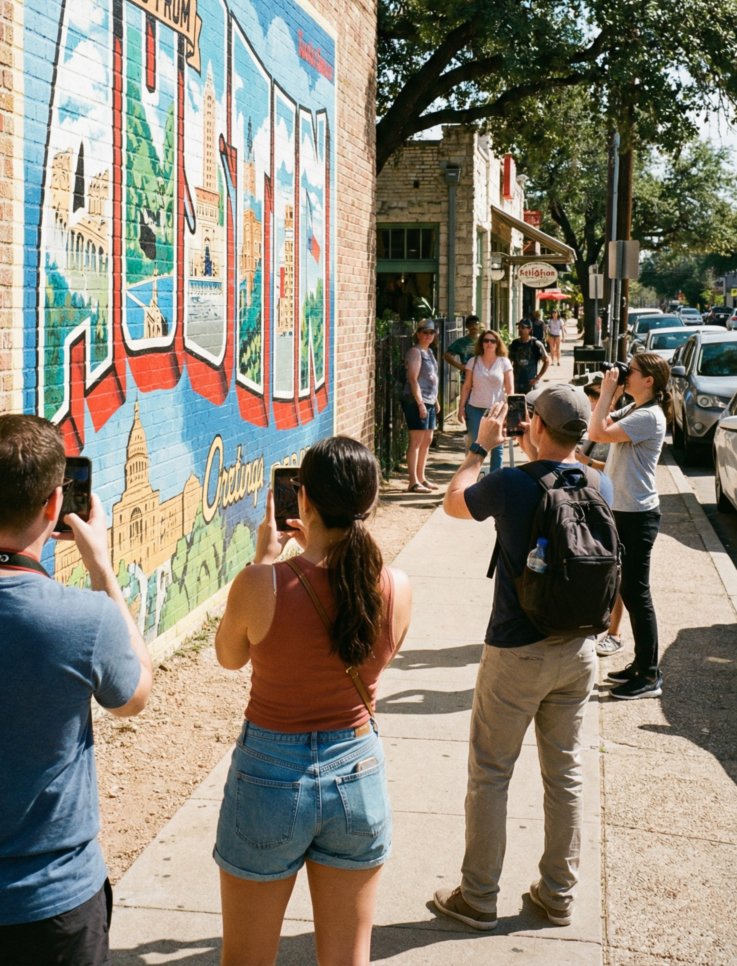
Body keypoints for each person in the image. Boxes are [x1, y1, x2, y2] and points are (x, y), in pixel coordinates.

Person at [214, 436, 412, 966]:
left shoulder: (262, 584)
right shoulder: (395, 586)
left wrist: (264, 559)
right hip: (358, 769)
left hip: (269, 776)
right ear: (368, 503)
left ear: (302, 499)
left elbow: (229, 657)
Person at [434, 386, 611, 930]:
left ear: (534, 424)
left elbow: (452, 501)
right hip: (579, 649)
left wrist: (477, 449)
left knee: (491, 773)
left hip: (517, 650)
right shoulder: (596, 482)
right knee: (565, 772)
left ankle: (479, 896)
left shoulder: (511, 483)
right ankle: (558, 894)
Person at [0, 414, 153, 966]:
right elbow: (135, 695)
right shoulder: (86, 620)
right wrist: (102, 569)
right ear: (54, 505)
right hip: (53, 903)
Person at [588, 352, 671, 699]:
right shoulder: (637, 409)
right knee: (628, 590)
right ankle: (640, 665)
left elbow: (597, 431)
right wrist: (615, 392)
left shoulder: (649, 416)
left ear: (649, 380)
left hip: (637, 514)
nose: (625, 374)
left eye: (631, 372)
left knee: (637, 594)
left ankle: (649, 675)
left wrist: (609, 389)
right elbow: (601, 421)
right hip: (624, 510)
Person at [575, 373, 624, 658]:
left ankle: (614, 632)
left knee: (613, 571)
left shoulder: (614, 426)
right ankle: (593, 623)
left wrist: (587, 461)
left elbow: (615, 468)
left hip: (612, 503)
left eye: (592, 401)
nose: (590, 407)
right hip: (591, 503)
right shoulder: (593, 426)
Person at [458, 330, 513, 473]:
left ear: (497, 344)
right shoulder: (473, 361)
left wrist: (510, 410)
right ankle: (471, 478)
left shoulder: (504, 362)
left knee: (497, 447)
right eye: (486, 340)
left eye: (492, 341)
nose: (489, 344)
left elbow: (510, 389)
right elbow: (466, 386)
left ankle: (494, 481)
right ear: (481, 343)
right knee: (475, 445)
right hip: (475, 408)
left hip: (497, 410)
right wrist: (461, 407)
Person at [401, 318, 441, 491]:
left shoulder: (429, 352)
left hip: (430, 400)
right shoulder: (415, 352)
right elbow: (413, 379)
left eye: (431, 332)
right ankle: (413, 481)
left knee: (427, 440)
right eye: (425, 332)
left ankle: (422, 477)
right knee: (416, 441)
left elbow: (432, 379)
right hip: (417, 401)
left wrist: (436, 400)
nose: (428, 335)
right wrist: (420, 404)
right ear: (418, 334)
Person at [508, 318, 550, 394]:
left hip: (531, 384)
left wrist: (537, 378)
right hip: (516, 384)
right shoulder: (514, 344)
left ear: (530, 329)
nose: (520, 329)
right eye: (519, 327)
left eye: (523, 327)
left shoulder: (536, 344)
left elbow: (546, 361)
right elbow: (508, 363)